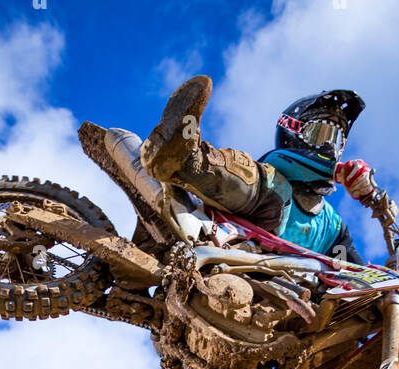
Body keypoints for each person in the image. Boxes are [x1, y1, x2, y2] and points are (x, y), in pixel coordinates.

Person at [139, 75, 379, 264]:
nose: (328, 145)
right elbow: (271, 182)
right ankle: (188, 160)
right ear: (293, 130)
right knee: (274, 186)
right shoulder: (273, 182)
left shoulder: (332, 227)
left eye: (335, 139)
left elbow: (354, 272)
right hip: (239, 244)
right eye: (321, 133)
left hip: (288, 302)